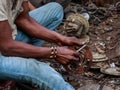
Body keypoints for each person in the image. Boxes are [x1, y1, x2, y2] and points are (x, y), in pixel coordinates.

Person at [0, 0, 85, 90]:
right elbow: (7, 47)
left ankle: (21, 65)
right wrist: (53, 52)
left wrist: (60, 38)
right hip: (4, 49)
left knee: (55, 10)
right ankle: (25, 69)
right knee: (43, 72)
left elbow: (23, 20)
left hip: (7, 37)